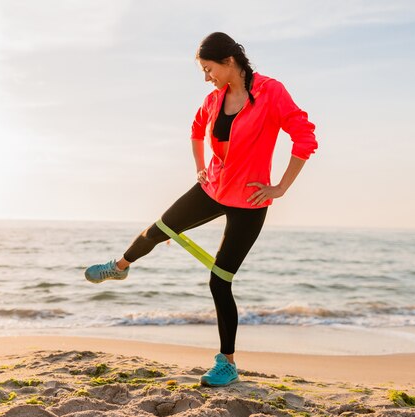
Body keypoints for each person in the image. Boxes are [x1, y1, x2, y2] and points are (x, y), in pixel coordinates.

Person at [84, 32, 318, 387]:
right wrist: (200, 167)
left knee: (219, 281)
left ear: (228, 62)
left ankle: (227, 362)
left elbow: (304, 138)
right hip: (213, 187)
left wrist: (281, 187)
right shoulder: (213, 100)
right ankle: (119, 268)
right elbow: (196, 130)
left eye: (208, 69)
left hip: (250, 201)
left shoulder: (271, 92)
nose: (206, 77)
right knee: (158, 228)